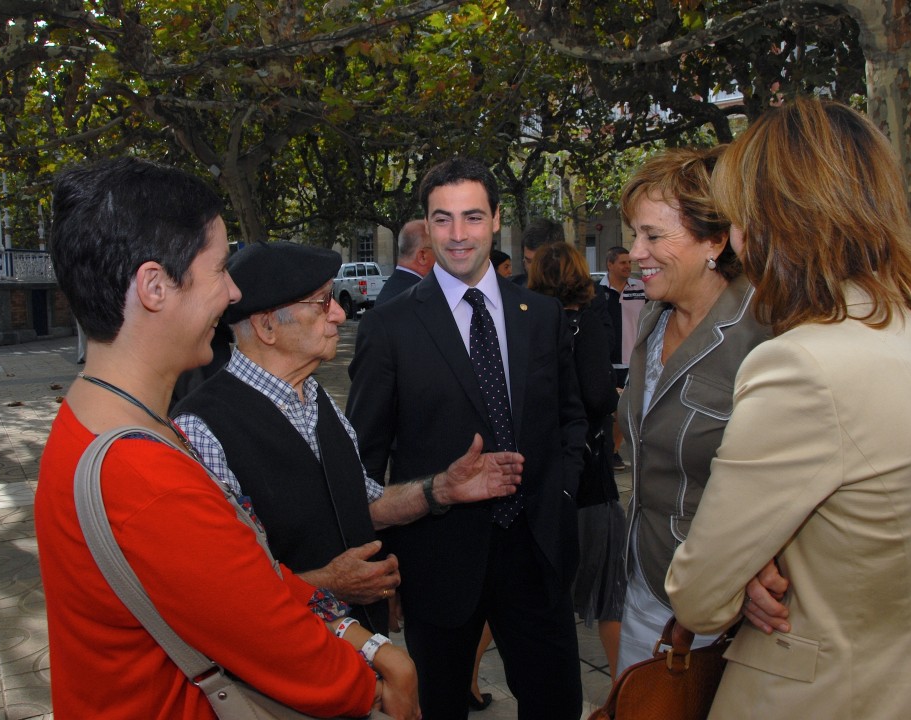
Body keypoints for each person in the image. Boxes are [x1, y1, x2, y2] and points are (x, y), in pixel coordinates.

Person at [34, 157, 420, 719]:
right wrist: (377, 685)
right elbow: (273, 640)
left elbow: (252, 582)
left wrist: (363, 639)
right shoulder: (147, 479)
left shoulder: (101, 421)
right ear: (155, 287)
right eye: (218, 270)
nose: (234, 292)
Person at [665, 98, 911, 719]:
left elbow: (698, 594)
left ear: (773, 224)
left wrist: (742, 573)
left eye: (738, 219)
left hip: (819, 695)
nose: (735, 243)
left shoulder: (800, 367)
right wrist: (764, 562)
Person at [174, 241, 524, 636]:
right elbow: (217, 594)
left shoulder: (317, 399)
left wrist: (442, 489)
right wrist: (327, 584)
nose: (339, 313)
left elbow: (363, 504)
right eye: (322, 302)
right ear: (266, 326)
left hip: (355, 655)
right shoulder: (201, 430)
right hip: (286, 663)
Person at [347, 157, 586, 720]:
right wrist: (381, 566)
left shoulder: (542, 316)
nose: (458, 234)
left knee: (556, 704)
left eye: (472, 217)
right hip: (439, 563)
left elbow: (572, 419)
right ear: (427, 226)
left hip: (536, 554)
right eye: (443, 219)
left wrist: (561, 495)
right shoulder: (389, 326)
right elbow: (363, 459)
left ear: (497, 220)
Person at [616, 146, 771, 672]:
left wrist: (764, 567)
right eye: (634, 234)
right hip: (645, 582)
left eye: (653, 236)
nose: (636, 252)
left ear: (714, 240)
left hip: (726, 607)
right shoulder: (655, 317)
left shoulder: (764, 333)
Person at [529, 241, 627, 679]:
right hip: (587, 477)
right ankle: (624, 690)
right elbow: (597, 396)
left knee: (532, 591)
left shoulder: (527, 325)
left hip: (540, 475)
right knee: (610, 593)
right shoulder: (584, 325)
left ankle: (470, 679)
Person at [599, 245, 646, 470]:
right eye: (623, 263)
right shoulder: (597, 291)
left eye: (629, 262)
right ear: (610, 265)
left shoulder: (641, 288)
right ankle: (604, 449)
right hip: (606, 361)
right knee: (607, 409)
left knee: (624, 410)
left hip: (633, 359)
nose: (628, 266)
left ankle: (614, 451)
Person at [376, 219, 434, 306]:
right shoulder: (423, 296)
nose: (442, 257)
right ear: (422, 256)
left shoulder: (391, 288)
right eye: (438, 250)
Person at [510, 217, 565, 286]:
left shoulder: (574, 288)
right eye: (529, 261)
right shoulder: (510, 287)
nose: (533, 269)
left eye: (539, 262)